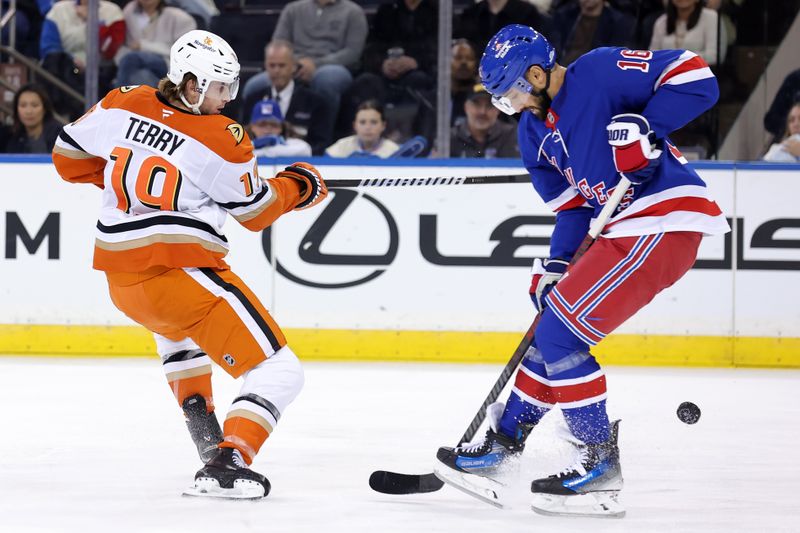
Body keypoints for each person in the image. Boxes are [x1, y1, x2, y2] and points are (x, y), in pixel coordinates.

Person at [434, 25, 729, 517]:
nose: (509, 105)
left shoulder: (598, 70)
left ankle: (599, 466)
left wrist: (645, 127)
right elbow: (573, 211)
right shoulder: (533, 133)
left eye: (510, 93)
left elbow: (697, 78)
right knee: (551, 332)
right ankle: (504, 447)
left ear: (535, 73)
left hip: (662, 219)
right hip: (618, 230)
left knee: (560, 337)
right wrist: (556, 265)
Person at [51, 29, 328, 500]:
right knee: (280, 371)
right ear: (190, 82)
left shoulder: (124, 101)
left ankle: (199, 416)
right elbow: (256, 212)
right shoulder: (224, 137)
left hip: (124, 285)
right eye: (219, 87)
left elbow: (67, 159)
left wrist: (127, 173)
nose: (227, 98)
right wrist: (300, 187)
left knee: (179, 335)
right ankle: (230, 458)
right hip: (180, 273)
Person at [241, 0, 368, 137]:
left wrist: (316, 64)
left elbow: (352, 52)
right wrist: (295, 64)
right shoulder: (293, 9)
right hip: (292, 63)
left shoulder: (353, 12)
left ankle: (325, 137)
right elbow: (278, 42)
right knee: (254, 85)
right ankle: (246, 138)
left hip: (332, 65)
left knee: (327, 80)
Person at [240, 41, 333, 155]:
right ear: (265, 66)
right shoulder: (253, 100)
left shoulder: (315, 102)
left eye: (282, 65)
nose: (277, 70)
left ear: (293, 66)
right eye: (272, 65)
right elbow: (243, 137)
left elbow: (321, 145)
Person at [40, 0, 125, 118]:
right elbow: (49, 47)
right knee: (54, 62)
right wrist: (71, 60)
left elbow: (109, 49)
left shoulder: (112, 11)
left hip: (101, 69)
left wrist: (92, 21)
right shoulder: (58, 10)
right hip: (67, 68)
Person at [114, 0, 196, 88]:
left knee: (131, 58)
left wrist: (143, 46)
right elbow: (124, 45)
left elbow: (184, 52)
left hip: (167, 62)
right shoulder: (129, 11)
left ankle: (116, 97)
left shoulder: (179, 17)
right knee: (142, 76)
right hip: (133, 64)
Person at [552, 0, 635, 65]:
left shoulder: (618, 22)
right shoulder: (564, 15)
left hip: (593, 74)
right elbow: (554, 48)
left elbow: (612, 58)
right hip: (561, 71)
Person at [450, 83, 519, 158]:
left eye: (489, 105)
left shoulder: (514, 136)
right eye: (477, 104)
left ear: (498, 109)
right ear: (466, 107)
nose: (482, 112)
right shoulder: (450, 139)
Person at [649, 0, 727, 66]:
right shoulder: (661, 22)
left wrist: (676, 60)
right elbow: (652, 57)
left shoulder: (711, 17)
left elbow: (714, 56)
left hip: (700, 76)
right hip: (665, 78)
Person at [326, 100, 399, 158]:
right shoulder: (341, 147)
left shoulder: (394, 152)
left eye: (374, 122)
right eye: (362, 122)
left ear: (383, 125)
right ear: (355, 126)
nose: (368, 127)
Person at [5, 84, 62, 154]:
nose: (29, 111)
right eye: (23, 105)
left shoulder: (59, 135)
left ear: (44, 109)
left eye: (34, 105)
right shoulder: (12, 137)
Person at [248, 99, 313, 158]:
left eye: (273, 125)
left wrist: (265, 150)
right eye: (262, 124)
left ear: (281, 128)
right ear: (252, 127)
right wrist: (253, 144)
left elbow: (306, 150)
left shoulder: (289, 143)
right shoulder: (243, 144)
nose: (268, 128)